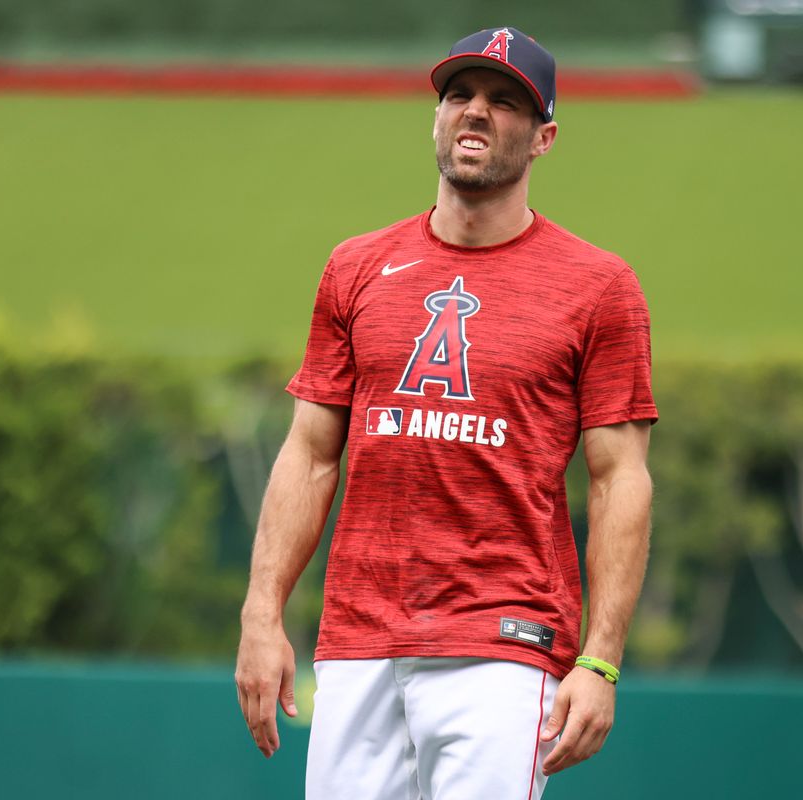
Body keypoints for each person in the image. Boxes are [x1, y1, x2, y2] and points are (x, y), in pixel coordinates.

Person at [235, 26, 657, 800]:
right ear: (435, 116)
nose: (476, 113)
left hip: (504, 642)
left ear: (544, 137)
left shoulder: (598, 287)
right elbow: (309, 454)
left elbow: (619, 479)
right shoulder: (356, 268)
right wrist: (262, 615)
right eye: (460, 95)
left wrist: (599, 660)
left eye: (504, 102)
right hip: (358, 641)